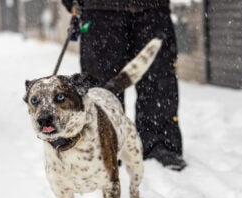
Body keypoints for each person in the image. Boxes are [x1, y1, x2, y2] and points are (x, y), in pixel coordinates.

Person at [62, 0, 186, 171]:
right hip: (100, 10)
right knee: (100, 88)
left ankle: (160, 145)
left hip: (153, 10)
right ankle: (102, 145)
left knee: (158, 83)